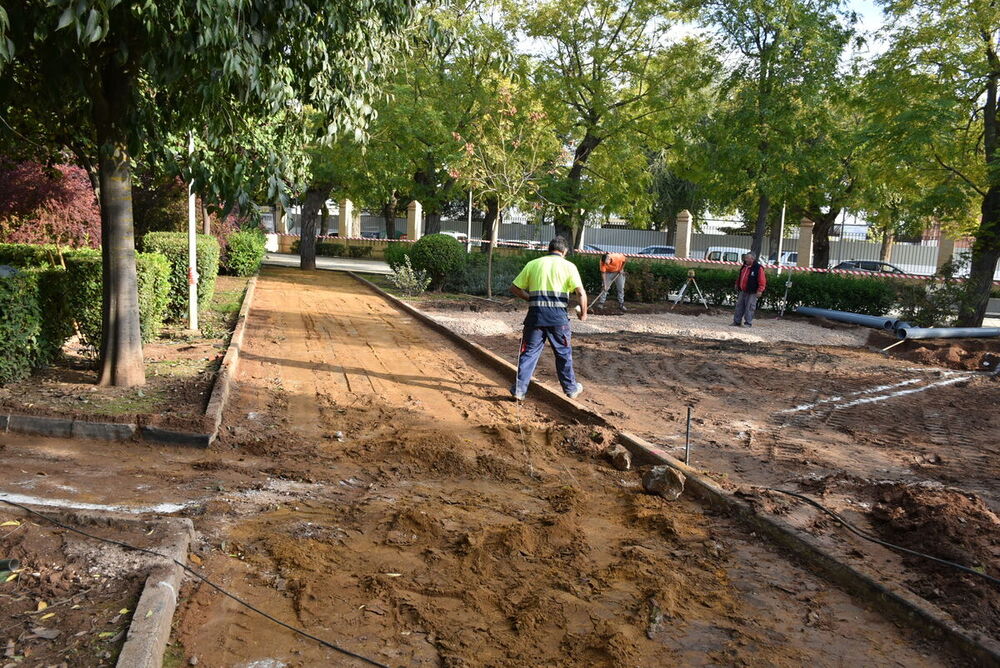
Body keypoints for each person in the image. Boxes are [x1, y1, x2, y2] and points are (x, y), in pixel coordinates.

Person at [509, 237, 587, 401]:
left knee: (528, 353)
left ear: (549, 249)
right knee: (563, 354)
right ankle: (571, 389)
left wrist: (529, 298)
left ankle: (519, 390)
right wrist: (583, 313)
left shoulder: (533, 264)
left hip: (535, 317)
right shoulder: (569, 266)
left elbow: (515, 288)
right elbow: (580, 293)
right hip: (558, 320)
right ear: (564, 251)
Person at [732, 252, 766, 327]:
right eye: (745, 257)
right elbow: (740, 276)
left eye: (747, 258)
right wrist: (737, 284)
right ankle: (737, 322)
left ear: (752, 259)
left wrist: (760, 290)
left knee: (749, 307)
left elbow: (762, 280)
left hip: (752, 291)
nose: (745, 259)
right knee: (739, 306)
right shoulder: (744, 266)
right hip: (742, 290)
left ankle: (748, 323)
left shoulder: (758, 268)